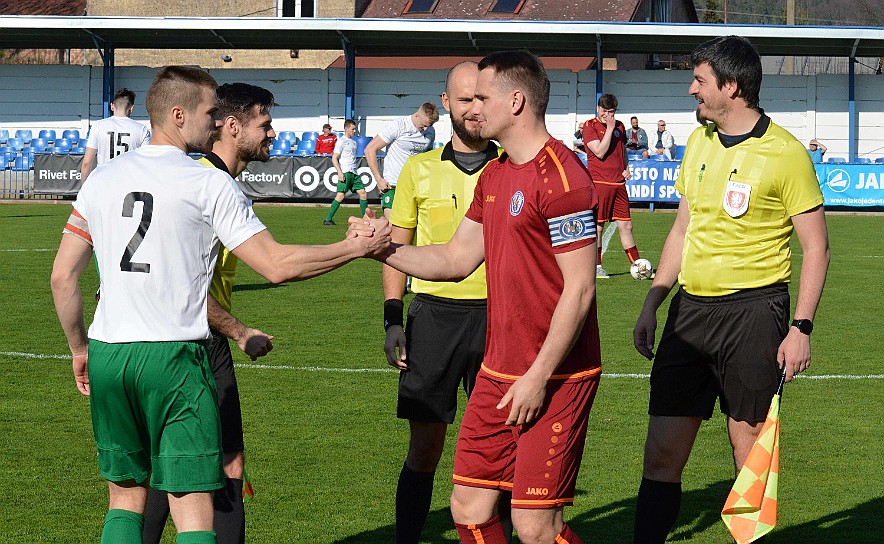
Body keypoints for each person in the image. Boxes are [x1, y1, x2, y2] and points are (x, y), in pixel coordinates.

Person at [51, 65, 390, 544]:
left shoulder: (102, 180)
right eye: (210, 113)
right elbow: (275, 264)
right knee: (193, 509)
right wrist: (356, 249)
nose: (216, 123)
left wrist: (78, 348)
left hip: (109, 352)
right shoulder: (207, 183)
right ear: (178, 114)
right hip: (174, 356)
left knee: (125, 500)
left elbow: (63, 275)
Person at [361, 50, 601, 544]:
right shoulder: (494, 176)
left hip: (554, 374)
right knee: (469, 508)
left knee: (536, 526)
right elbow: (453, 259)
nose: (475, 108)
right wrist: (382, 249)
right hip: (499, 369)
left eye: (484, 97)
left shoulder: (563, 176)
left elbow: (580, 289)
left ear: (516, 101)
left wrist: (537, 377)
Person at [631, 36, 829, 544]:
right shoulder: (698, 142)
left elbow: (817, 248)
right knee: (660, 453)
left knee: (749, 458)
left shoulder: (785, 153)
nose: (691, 88)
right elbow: (681, 229)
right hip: (689, 313)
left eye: (700, 80)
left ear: (731, 86)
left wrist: (801, 328)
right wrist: (654, 299)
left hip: (754, 314)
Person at [141, 82, 278, 544]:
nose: (273, 134)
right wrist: (237, 330)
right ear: (232, 126)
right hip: (193, 338)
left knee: (172, 464)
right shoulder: (204, 182)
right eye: (265, 124)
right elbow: (175, 281)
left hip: (180, 335)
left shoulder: (209, 178)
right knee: (224, 462)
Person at [382, 61, 512, 544]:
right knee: (425, 447)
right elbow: (397, 250)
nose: (475, 109)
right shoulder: (418, 169)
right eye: (465, 100)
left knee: (501, 447)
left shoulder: (513, 167)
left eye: (482, 99)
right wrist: (393, 320)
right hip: (433, 318)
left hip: (500, 320)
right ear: (446, 102)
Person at [583, 94, 647, 279]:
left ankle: (638, 266)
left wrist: (626, 167)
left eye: (611, 112)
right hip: (599, 183)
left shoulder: (620, 126)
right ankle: (596, 267)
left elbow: (622, 152)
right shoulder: (590, 126)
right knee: (598, 226)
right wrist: (609, 129)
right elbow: (600, 152)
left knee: (626, 225)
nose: (607, 115)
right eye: (604, 111)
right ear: (598, 109)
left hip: (618, 184)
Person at [365, 102, 439, 219]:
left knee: (412, 229)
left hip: (415, 186)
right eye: (424, 125)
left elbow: (427, 157)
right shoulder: (398, 126)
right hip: (393, 185)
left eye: (429, 125)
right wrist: (379, 179)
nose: (425, 129)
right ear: (416, 115)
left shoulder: (431, 131)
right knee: (392, 227)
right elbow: (370, 149)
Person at [80, 88, 151, 182]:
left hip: (104, 182)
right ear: (132, 108)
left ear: (112, 106)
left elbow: (86, 162)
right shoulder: (142, 130)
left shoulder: (98, 126)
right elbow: (145, 162)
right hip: (129, 183)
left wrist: (85, 188)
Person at [324, 119, 368, 226]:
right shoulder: (341, 141)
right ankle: (327, 219)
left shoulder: (353, 142)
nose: (354, 131)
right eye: (352, 129)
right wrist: (340, 172)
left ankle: (365, 219)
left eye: (354, 129)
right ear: (346, 129)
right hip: (345, 172)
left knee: (363, 193)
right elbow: (334, 158)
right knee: (340, 196)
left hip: (354, 172)